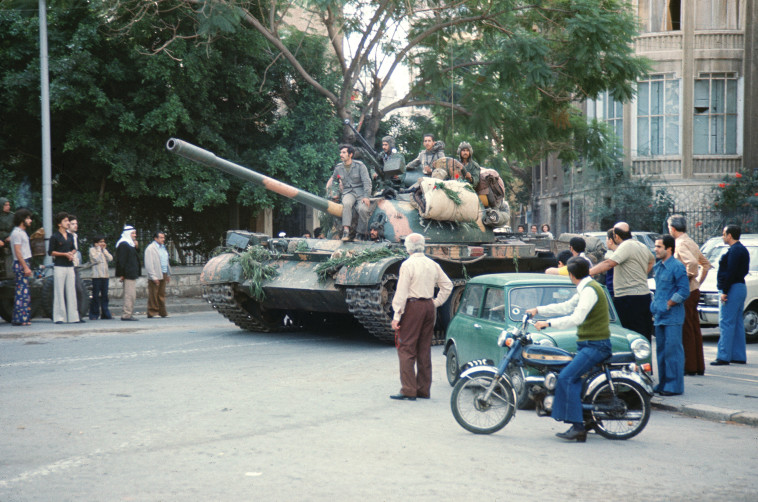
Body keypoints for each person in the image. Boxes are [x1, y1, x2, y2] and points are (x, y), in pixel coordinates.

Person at [526, 257, 612, 442]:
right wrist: (537, 310)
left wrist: (547, 323)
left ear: (571, 275)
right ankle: (584, 418)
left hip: (596, 345)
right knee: (567, 374)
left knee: (567, 377)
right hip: (588, 344)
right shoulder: (586, 287)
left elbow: (576, 318)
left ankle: (578, 427)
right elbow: (565, 306)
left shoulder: (590, 291)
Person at [390, 233, 452, 400]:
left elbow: (402, 291)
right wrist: (436, 302)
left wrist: (396, 316)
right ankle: (423, 389)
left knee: (406, 348)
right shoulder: (432, 264)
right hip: (428, 307)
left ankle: (408, 390)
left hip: (413, 306)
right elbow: (447, 285)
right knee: (424, 349)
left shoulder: (407, 265)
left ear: (408, 247)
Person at [589, 222, 655, 341]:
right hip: (643, 295)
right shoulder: (641, 245)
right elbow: (651, 261)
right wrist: (642, 275)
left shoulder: (625, 246)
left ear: (616, 236)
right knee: (644, 332)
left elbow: (609, 263)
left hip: (628, 297)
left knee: (630, 335)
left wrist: (589, 272)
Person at [667, 215, 711, 375]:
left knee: (686, 329)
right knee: (694, 328)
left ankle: (690, 366)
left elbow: (692, 263)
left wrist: (685, 280)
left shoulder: (680, 244)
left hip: (687, 291)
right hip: (694, 290)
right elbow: (705, 264)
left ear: (672, 228)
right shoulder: (690, 241)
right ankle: (698, 366)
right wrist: (697, 281)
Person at [651, 235, 690, 396]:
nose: (656, 249)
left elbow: (684, 291)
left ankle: (674, 386)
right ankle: (663, 383)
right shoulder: (658, 266)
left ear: (669, 249)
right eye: (655, 246)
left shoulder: (677, 267)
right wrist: (655, 306)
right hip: (659, 315)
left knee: (672, 351)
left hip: (672, 316)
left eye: (659, 246)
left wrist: (669, 304)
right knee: (661, 351)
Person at [712, 224, 750, 365]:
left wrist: (725, 290)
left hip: (732, 288)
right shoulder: (743, 250)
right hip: (740, 287)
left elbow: (731, 272)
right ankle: (738, 355)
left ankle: (723, 356)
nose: (723, 236)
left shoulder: (734, 251)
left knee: (726, 322)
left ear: (729, 235)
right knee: (737, 322)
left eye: (724, 234)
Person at [325, 145, 372, 241]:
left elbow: (367, 182)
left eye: (343, 152)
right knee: (346, 204)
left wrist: (366, 196)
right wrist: (334, 192)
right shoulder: (338, 167)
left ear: (350, 154)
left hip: (360, 192)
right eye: (340, 152)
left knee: (362, 209)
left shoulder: (360, 166)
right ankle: (346, 231)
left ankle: (360, 233)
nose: (341, 154)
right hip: (347, 192)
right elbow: (333, 180)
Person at [48, 212, 81, 324]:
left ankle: (73, 317)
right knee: (59, 292)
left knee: (71, 291)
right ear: (59, 224)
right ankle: (59, 317)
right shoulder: (54, 237)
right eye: (65, 221)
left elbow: (74, 248)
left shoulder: (71, 236)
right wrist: (64, 254)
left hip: (70, 266)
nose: (68, 223)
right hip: (59, 266)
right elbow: (51, 252)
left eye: (68, 221)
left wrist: (71, 253)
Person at [9, 208, 33, 326]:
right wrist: (25, 267)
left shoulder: (20, 232)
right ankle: (20, 318)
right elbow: (18, 252)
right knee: (21, 292)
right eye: (28, 218)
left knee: (24, 291)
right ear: (22, 219)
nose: (30, 221)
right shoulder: (17, 233)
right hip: (21, 263)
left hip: (24, 262)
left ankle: (24, 317)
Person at [115, 225, 141, 321]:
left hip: (131, 273)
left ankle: (128, 313)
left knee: (132, 295)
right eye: (133, 233)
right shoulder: (123, 244)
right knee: (129, 295)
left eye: (135, 233)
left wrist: (136, 246)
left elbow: (134, 256)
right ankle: (126, 314)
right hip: (127, 273)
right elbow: (121, 261)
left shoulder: (130, 244)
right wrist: (122, 274)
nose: (135, 235)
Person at [145, 231, 171, 318]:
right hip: (155, 274)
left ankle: (162, 312)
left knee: (161, 294)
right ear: (155, 238)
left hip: (163, 272)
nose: (163, 239)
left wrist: (167, 274)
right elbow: (149, 264)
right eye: (161, 237)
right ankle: (153, 312)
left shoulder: (163, 247)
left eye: (163, 237)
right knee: (153, 294)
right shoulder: (150, 248)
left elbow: (166, 261)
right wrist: (153, 276)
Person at [88, 234, 113, 320]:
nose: (103, 243)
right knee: (95, 295)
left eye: (103, 242)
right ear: (96, 243)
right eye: (100, 242)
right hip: (96, 276)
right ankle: (94, 314)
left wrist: (104, 250)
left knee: (105, 295)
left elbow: (110, 258)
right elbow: (96, 259)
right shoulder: (92, 250)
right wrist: (99, 250)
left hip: (105, 275)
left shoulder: (104, 251)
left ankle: (105, 313)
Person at [68, 214, 84, 314]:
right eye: (73, 224)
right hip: (68, 265)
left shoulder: (75, 236)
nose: (75, 226)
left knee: (79, 290)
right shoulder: (66, 236)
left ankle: (78, 313)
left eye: (76, 224)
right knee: (74, 290)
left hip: (75, 265)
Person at [0, 198, 14, 273]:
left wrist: (11, 236)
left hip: (9, 242)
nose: (8, 206)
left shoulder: (12, 216)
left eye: (9, 205)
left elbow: (17, 228)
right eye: (6, 205)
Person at [604, 228, 618, 297]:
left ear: (610, 241)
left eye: (606, 239)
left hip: (614, 295)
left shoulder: (615, 258)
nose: (605, 242)